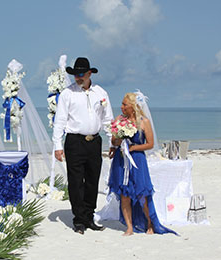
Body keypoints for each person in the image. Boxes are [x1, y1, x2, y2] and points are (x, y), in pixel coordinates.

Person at [53, 57, 114, 234]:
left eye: (81, 74)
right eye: (75, 75)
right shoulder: (67, 94)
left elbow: (108, 119)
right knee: (76, 181)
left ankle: (89, 216)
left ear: (89, 74)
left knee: (92, 180)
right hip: (74, 141)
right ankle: (79, 219)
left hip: (94, 141)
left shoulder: (101, 92)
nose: (78, 78)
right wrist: (57, 144)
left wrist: (112, 142)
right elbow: (60, 120)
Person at [108, 92, 178, 236]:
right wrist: (119, 140)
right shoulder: (119, 120)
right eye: (121, 104)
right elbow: (113, 141)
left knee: (142, 193)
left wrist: (133, 148)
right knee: (124, 194)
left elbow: (150, 144)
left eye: (124, 104)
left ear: (133, 106)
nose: (121, 107)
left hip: (137, 160)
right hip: (122, 159)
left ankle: (150, 224)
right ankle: (129, 226)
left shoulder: (144, 121)